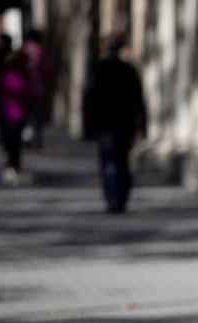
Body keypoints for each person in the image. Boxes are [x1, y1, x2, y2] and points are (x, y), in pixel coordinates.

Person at [88, 33, 146, 213]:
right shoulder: (129, 70)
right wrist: (143, 124)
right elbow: (139, 100)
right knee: (122, 161)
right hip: (124, 124)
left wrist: (89, 125)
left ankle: (112, 198)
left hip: (106, 124)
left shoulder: (99, 70)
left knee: (109, 162)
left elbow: (90, 99)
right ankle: (120, 198)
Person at [0, 49, 31, 184]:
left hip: (15, 115)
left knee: (14, 145)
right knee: (13, 145)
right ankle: (12, 168)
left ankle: (13, 168)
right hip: (13, 115)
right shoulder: (14, 76)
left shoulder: (13, 75)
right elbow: (22, 92)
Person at [22, 29, 49, 148]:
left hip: (24, 89)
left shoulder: (23, 50)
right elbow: (45, 70)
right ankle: (38, 139)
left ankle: (27, 137)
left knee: (26, 116)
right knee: (37, 117)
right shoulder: (40, 51)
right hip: (38, 89)